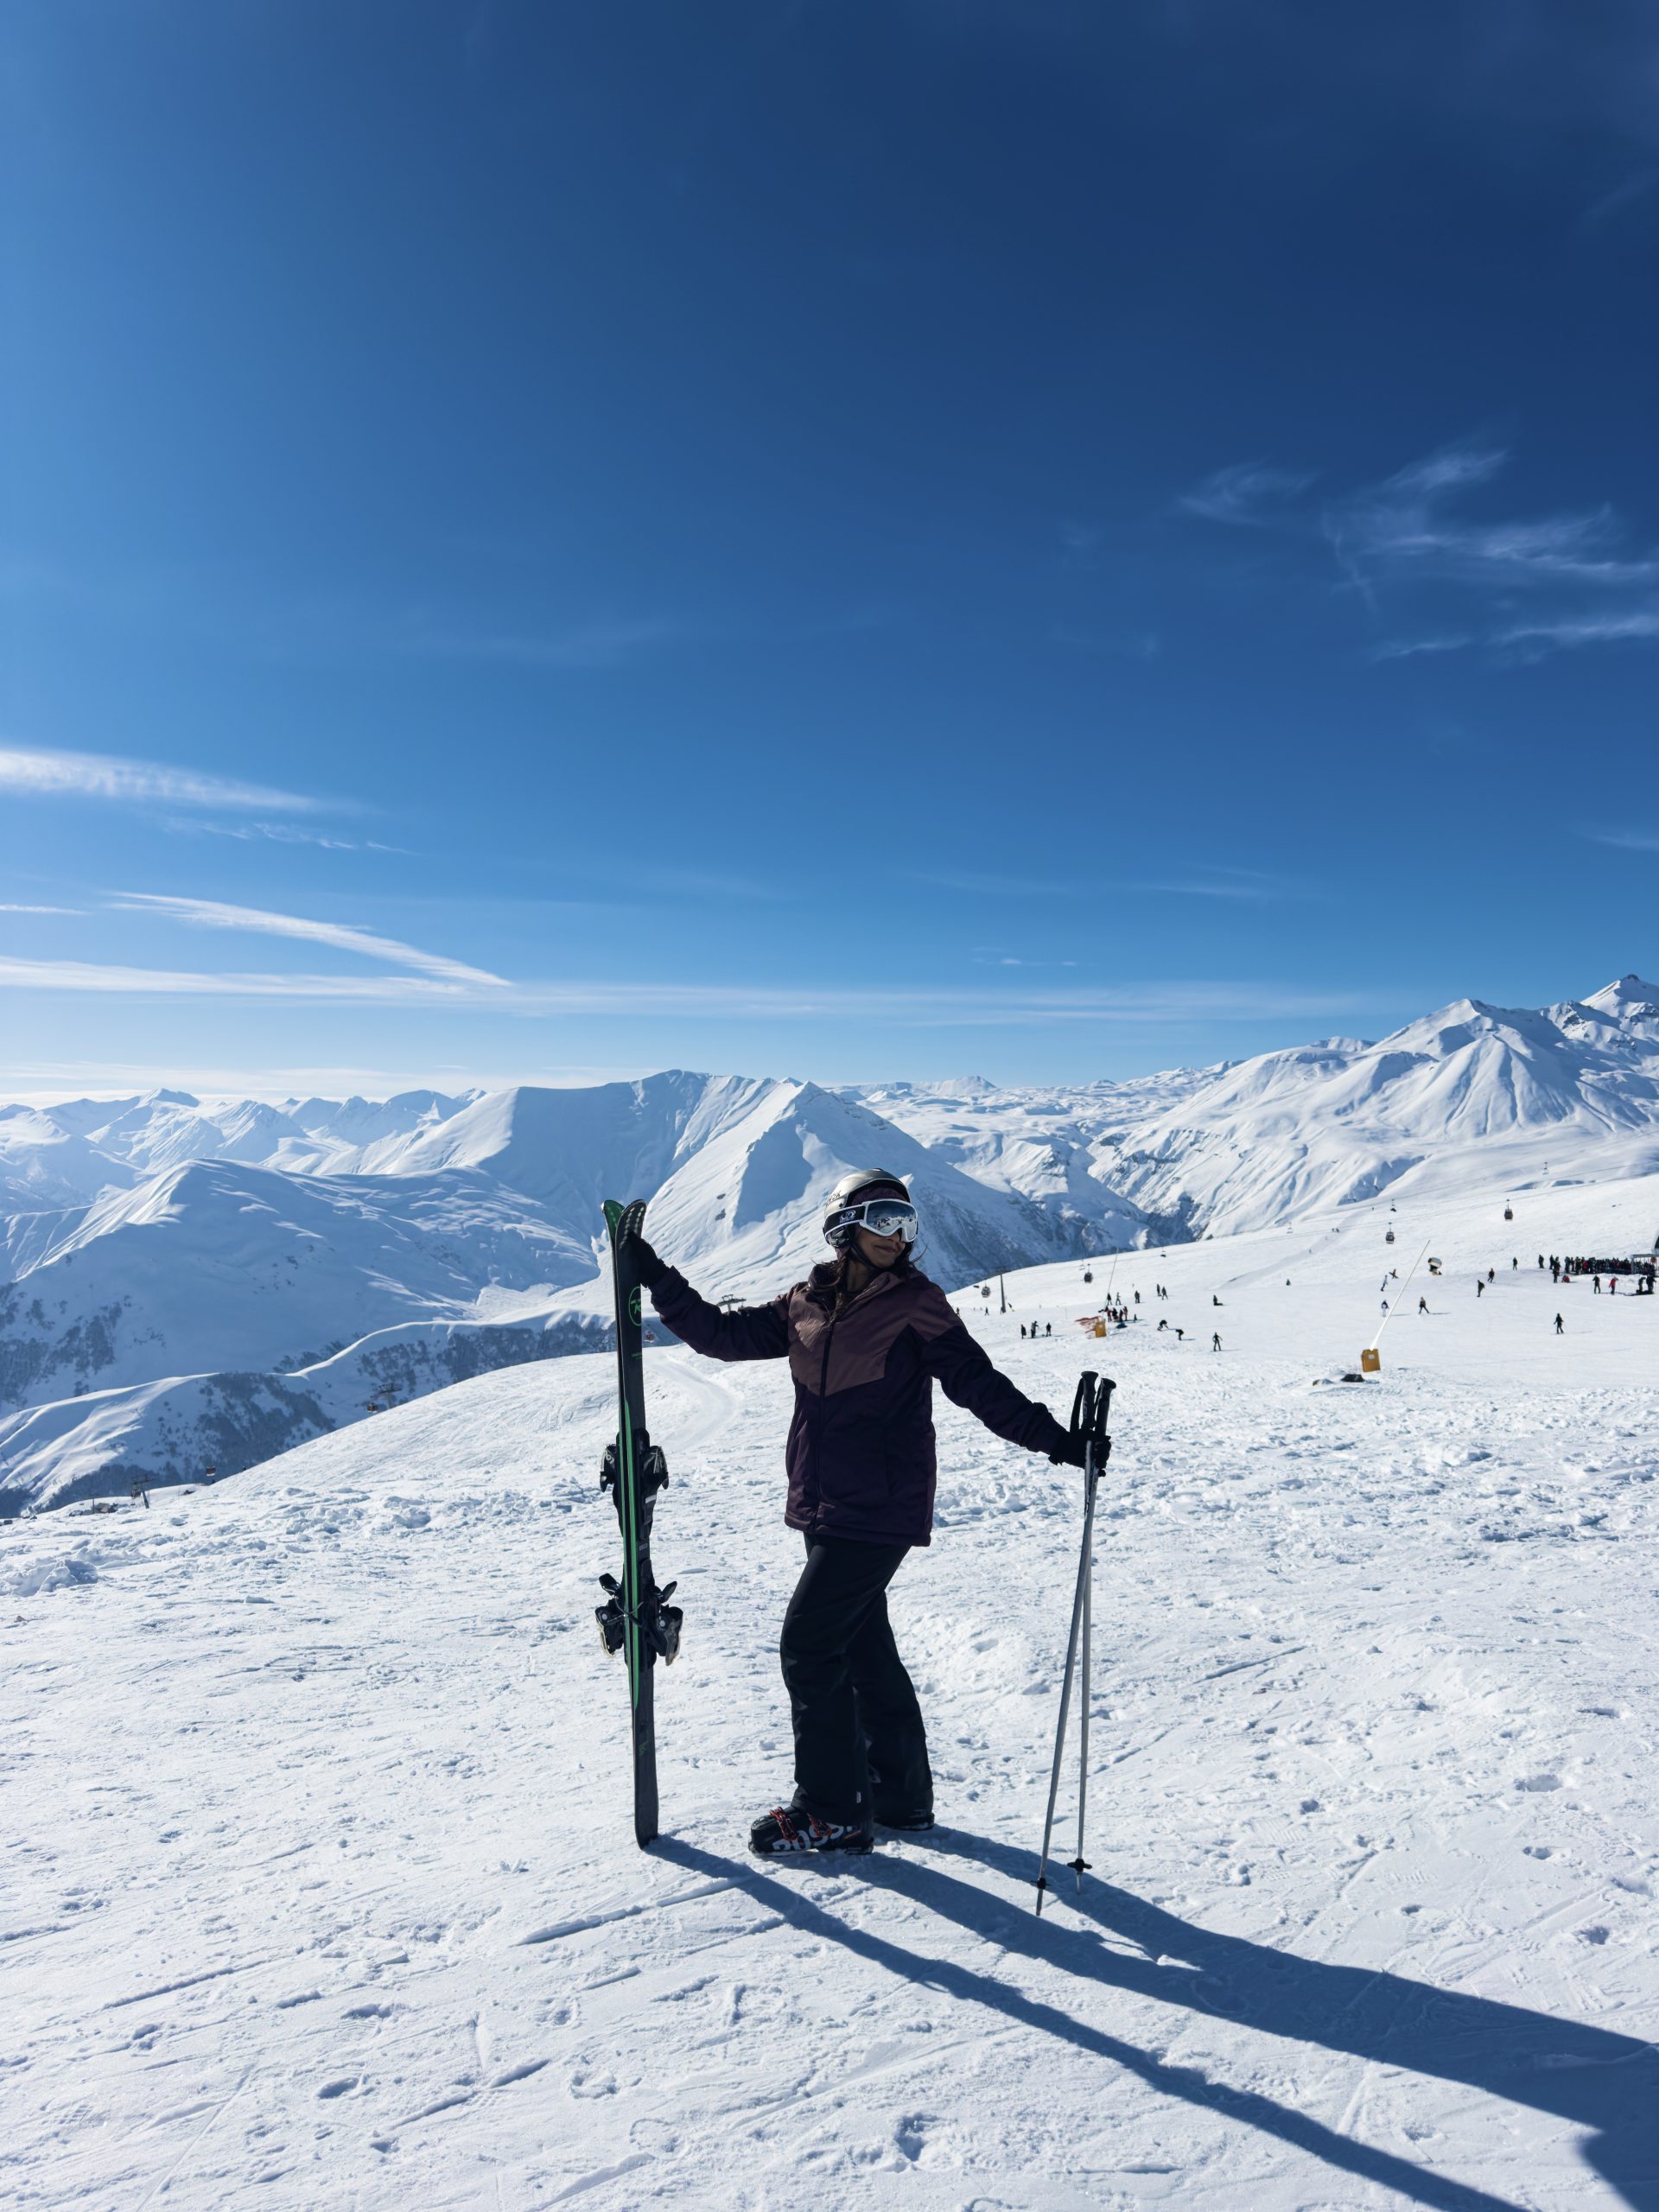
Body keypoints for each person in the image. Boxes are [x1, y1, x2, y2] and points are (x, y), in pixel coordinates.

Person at [620, 1170, 1090, 1859]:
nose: (901, 1235)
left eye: (907, 1222)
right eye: (884, 1218)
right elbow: (720, 1336)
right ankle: (901, 1798)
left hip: (878, 1507)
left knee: (809, 1650)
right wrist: (656, 1275)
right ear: (844, 1228)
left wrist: (1057, 1441)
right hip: (823, 1505)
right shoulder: (803, 1303)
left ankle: (832, 1811)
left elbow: (978, 1383)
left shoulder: (918, 1304)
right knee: (863, 1650)